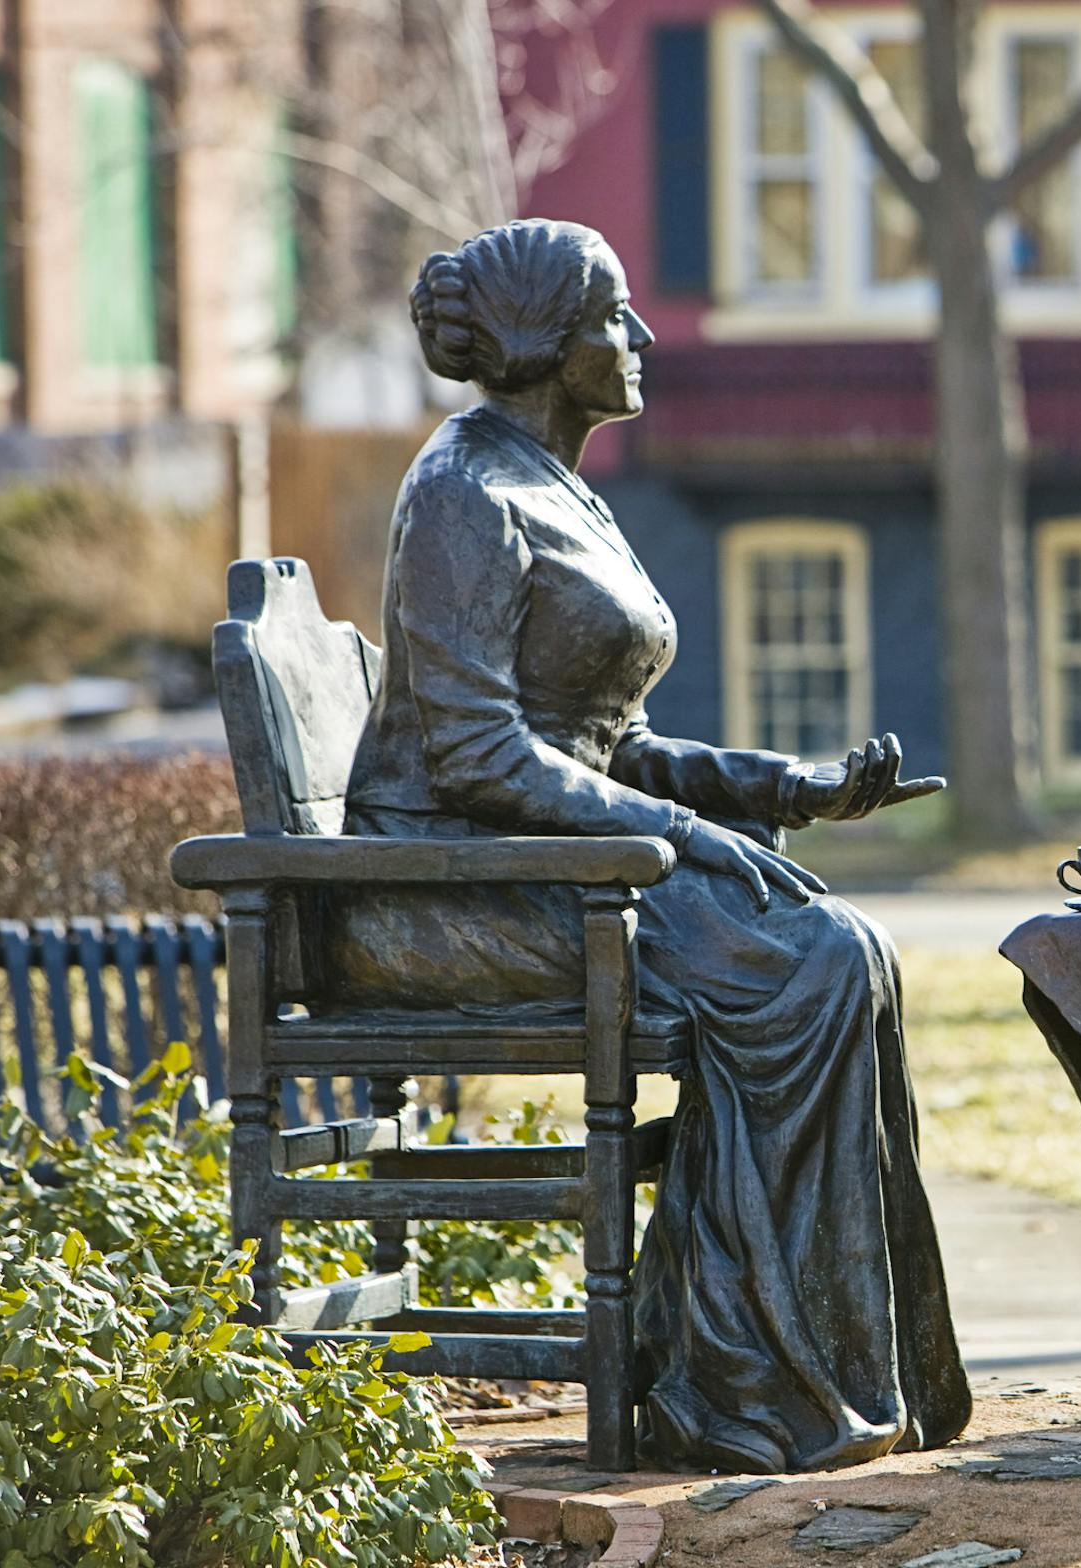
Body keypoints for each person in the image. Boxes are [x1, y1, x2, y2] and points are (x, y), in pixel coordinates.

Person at [333, 218, 971, 1472]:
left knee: (850, 950)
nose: (639, 337)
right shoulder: (462, 490)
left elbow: (602, 746)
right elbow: (477, 756)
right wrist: (687, 836)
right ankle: (739, 1383)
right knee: (811, 964)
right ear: (540, 341)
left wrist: (786, 789)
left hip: (557, 864)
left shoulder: (549, 481)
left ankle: (808, 1360)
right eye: (610, 317)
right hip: (448, 888)